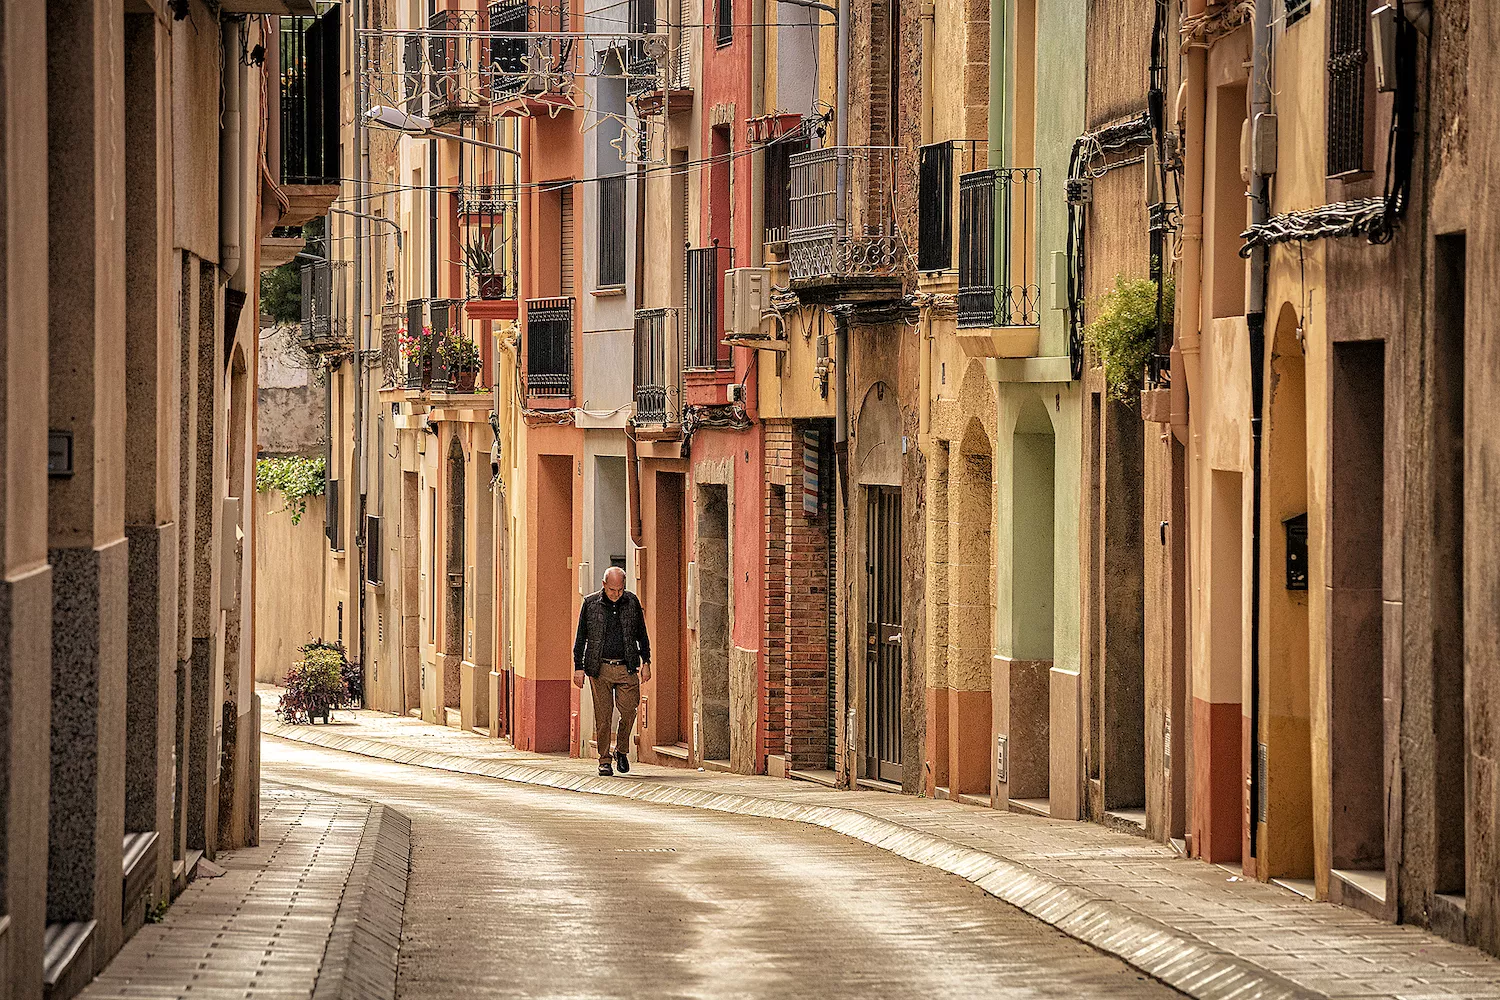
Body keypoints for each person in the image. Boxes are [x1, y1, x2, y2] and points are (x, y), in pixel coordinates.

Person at [573, 566, 652, 776]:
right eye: (612, 590)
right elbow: (581, 637)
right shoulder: (590, 604)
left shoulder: (632, 602)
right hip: (599, 668)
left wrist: (646, 662)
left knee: (629, 709)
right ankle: (604, 760)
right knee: (603, 715)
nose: (616, 594)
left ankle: (622, 749)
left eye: (619, 590)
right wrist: (578, 668)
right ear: (604, 585)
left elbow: (641, 634)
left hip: (626, 666)